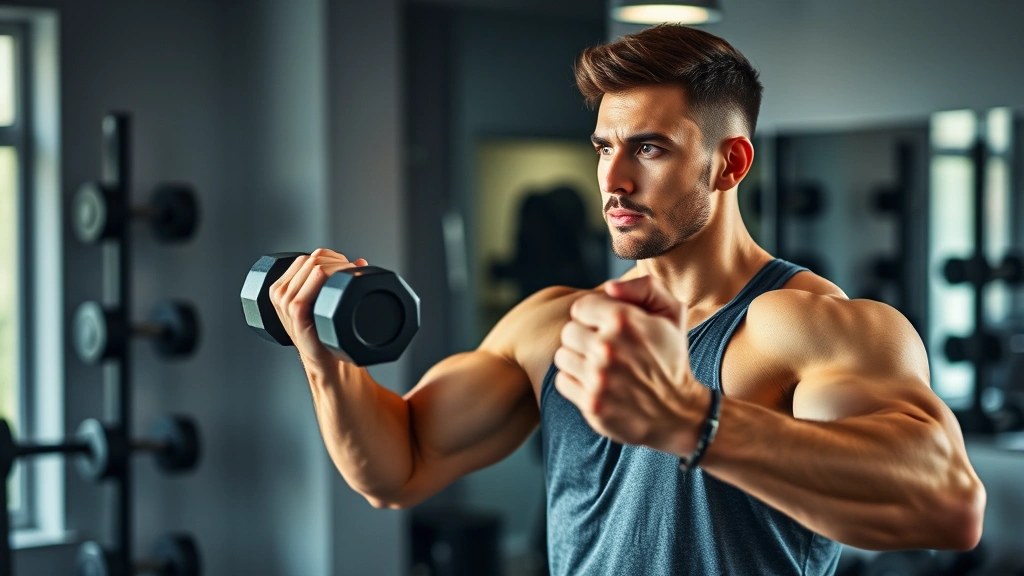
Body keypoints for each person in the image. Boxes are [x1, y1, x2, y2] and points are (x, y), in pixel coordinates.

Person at [269, 24, 985, 576]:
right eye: (603, 146)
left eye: (648, 149)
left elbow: (949, 504)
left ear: (729, 162)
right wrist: (322, 355)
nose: (612, 178)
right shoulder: (554, 322)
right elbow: (399, 467)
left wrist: (691, 421)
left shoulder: (801, 327)